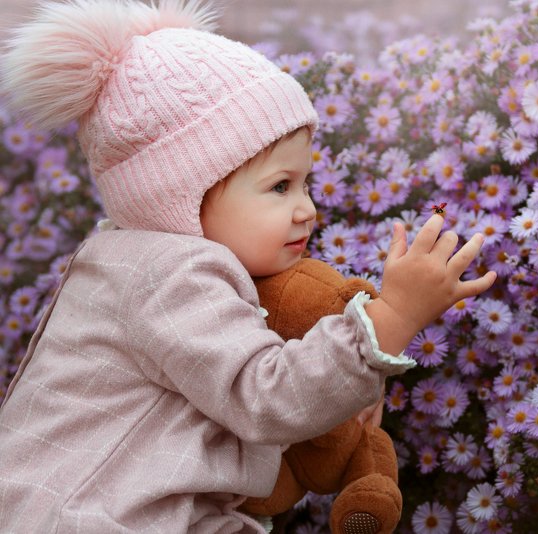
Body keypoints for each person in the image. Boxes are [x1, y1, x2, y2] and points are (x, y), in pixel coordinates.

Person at [0, 0, 496, 532]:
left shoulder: (132, 260)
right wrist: (394, 315)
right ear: (179, 194)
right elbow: (265, 397)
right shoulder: (170, 276)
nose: (308, 209)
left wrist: (350, 388)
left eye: (305, 184)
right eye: (280, 187)